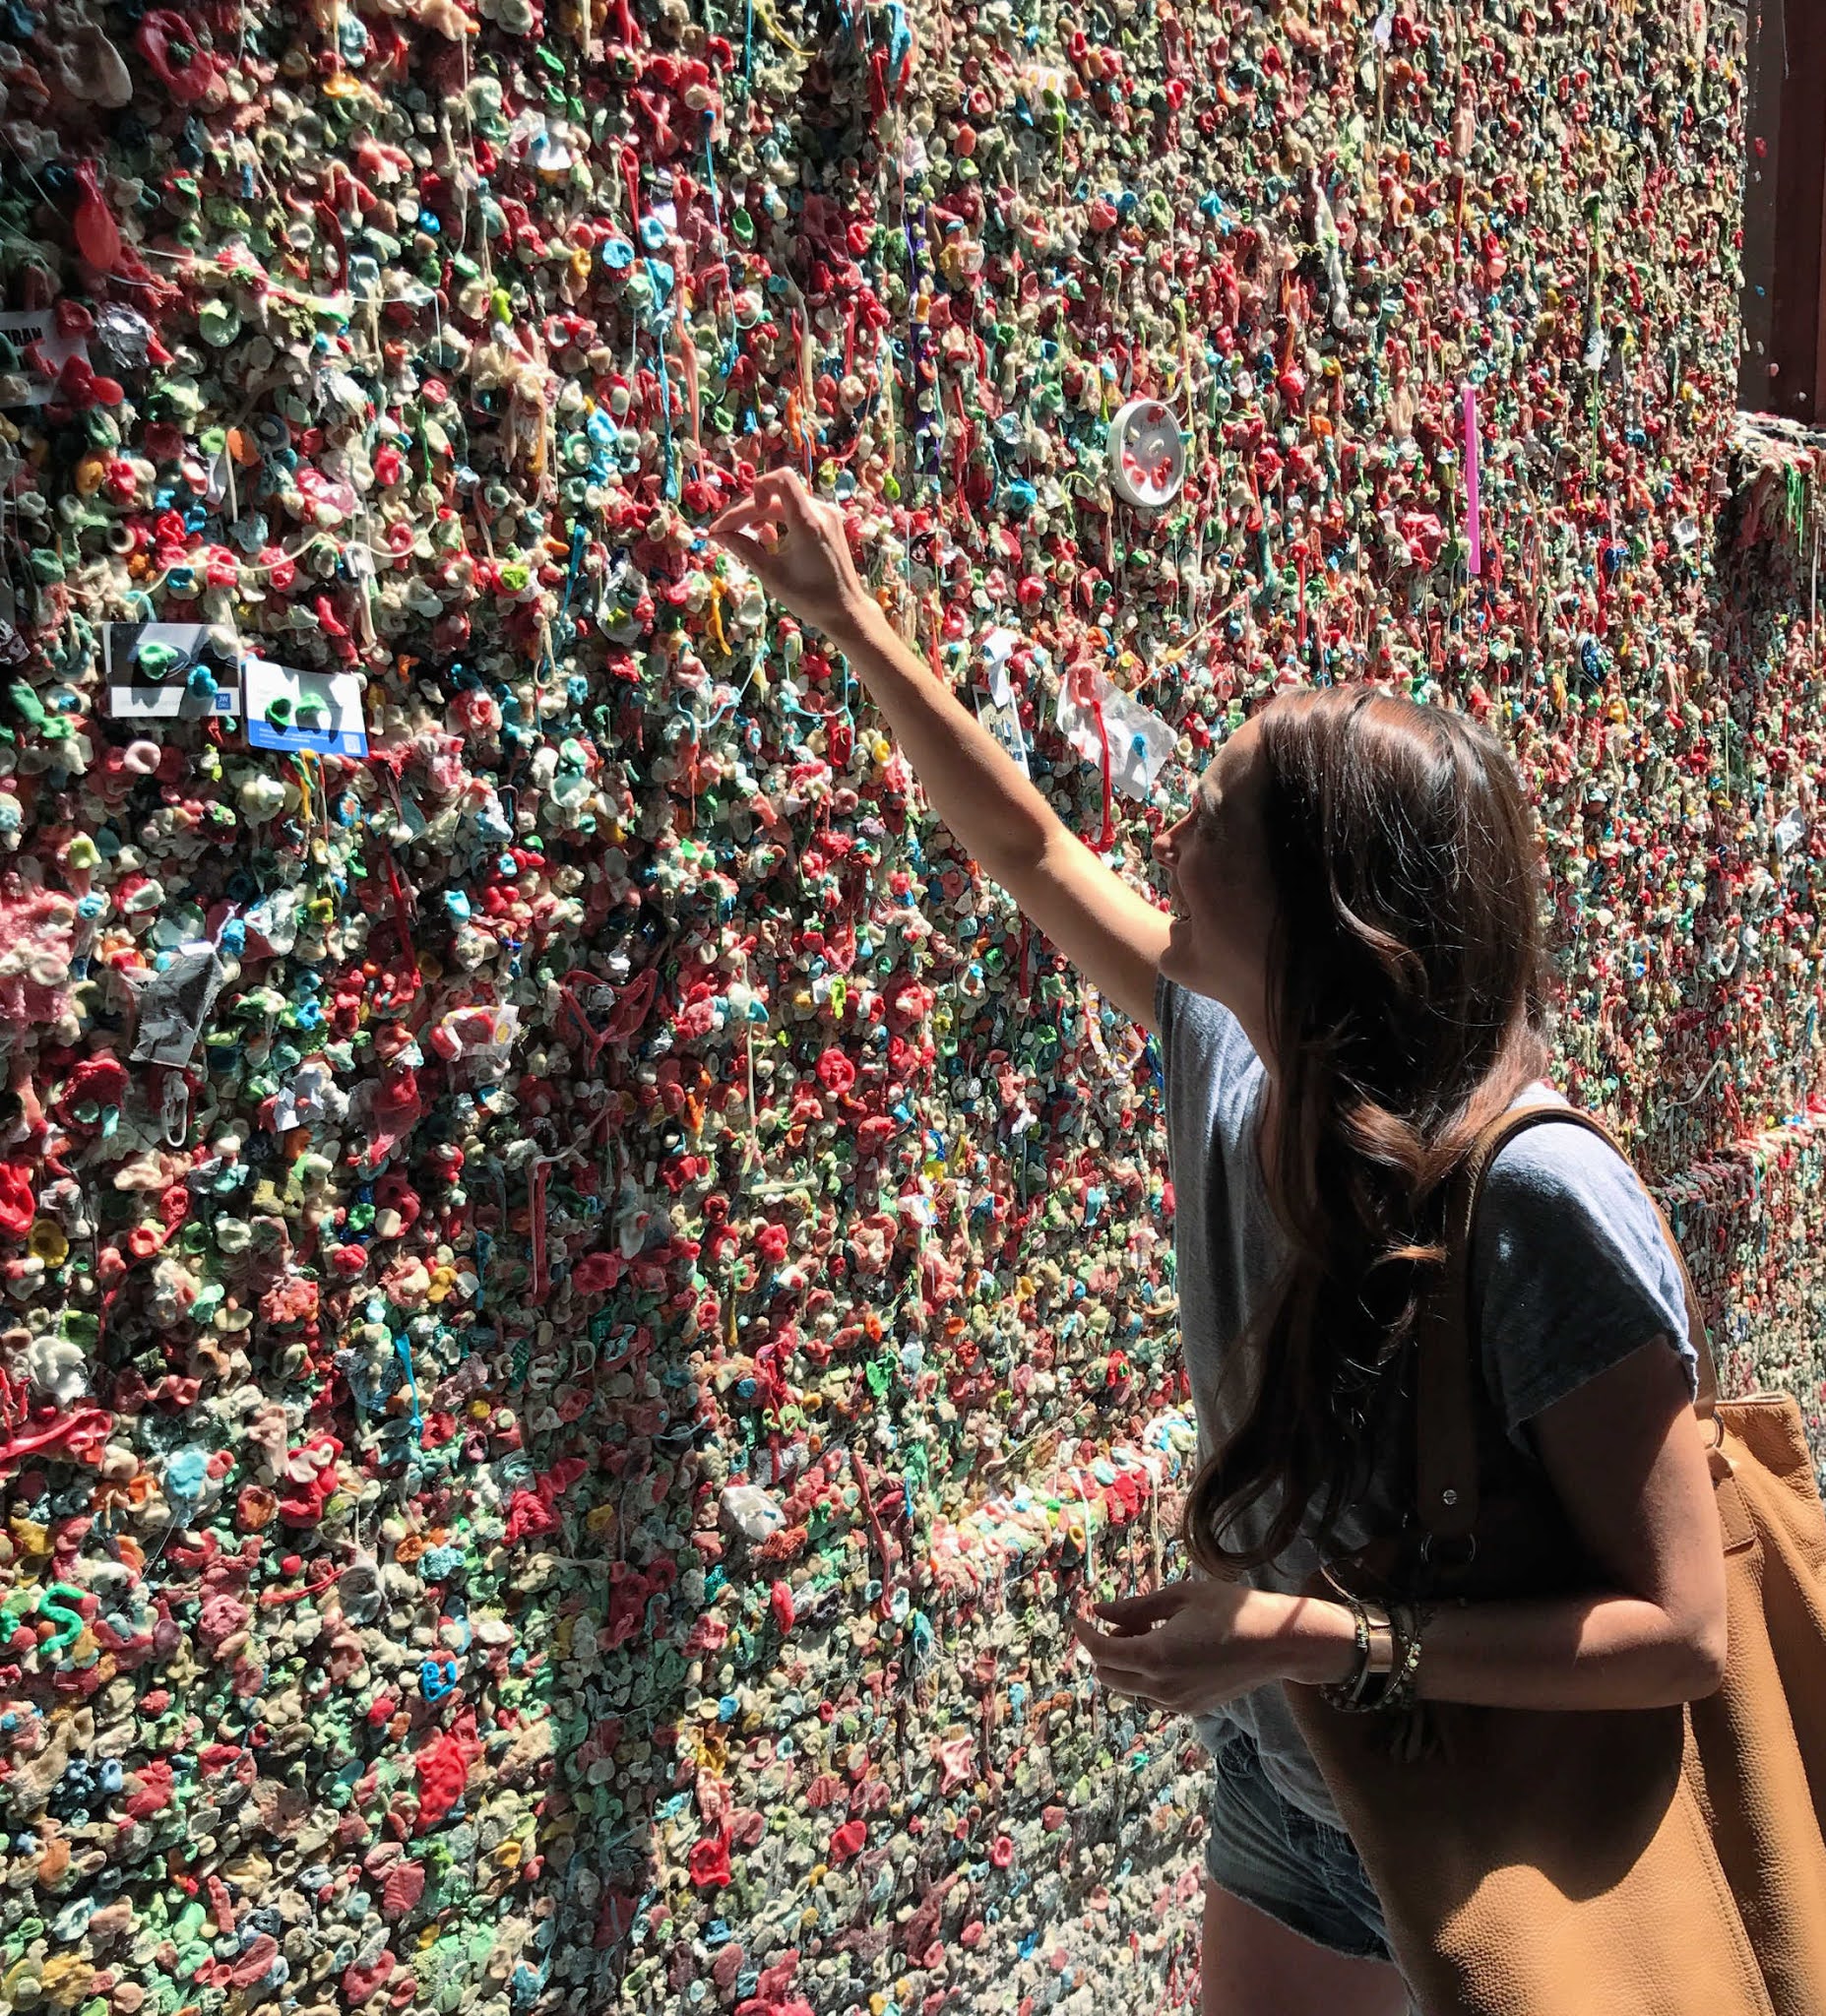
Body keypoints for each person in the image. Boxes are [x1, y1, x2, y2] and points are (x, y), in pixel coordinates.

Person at [709, 471, 1727, 2016]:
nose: (1170, 840)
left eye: (1214, 818)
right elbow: (1038, 853)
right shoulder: (1236, 1051)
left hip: (1498, 1813)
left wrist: (1316, 1637)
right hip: (1292, 1785)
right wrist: (847, 618)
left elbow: (1680, 1635)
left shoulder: (1537, 1199)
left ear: (1326, 909)